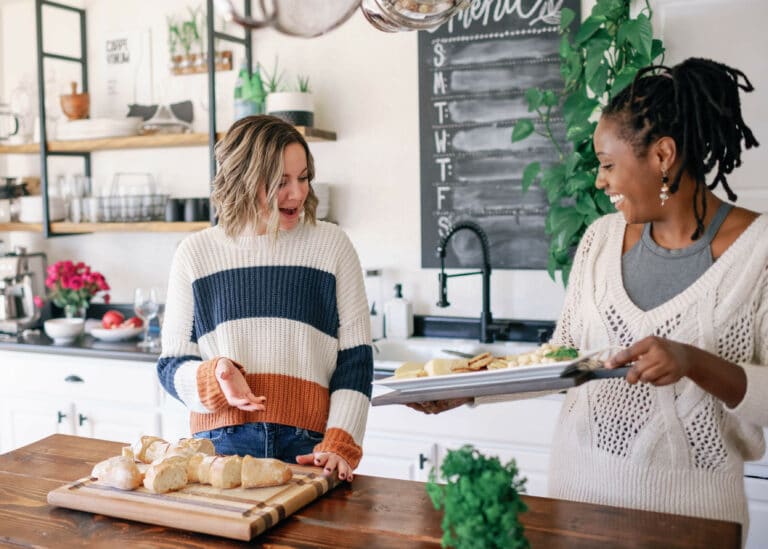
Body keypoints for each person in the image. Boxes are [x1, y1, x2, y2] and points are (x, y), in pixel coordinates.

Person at [413, 57, 767, 536]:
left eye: (607, 165)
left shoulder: (758, 253)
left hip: (693, 519)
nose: (600, 181)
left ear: (662, 156)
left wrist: (692, 362)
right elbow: (564, 360)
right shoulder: (601, 239)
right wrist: (466, 390)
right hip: (577, 500)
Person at [157, 115, 373, 481]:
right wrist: (216, 374)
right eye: (280, 182)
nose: (297, 193)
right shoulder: (196, 253)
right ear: (243, 180)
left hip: (310, 449)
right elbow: (171, 365)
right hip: (218, 446)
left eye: (303, 177)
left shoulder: (332, 246)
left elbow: (355, 361)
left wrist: (340, 442)